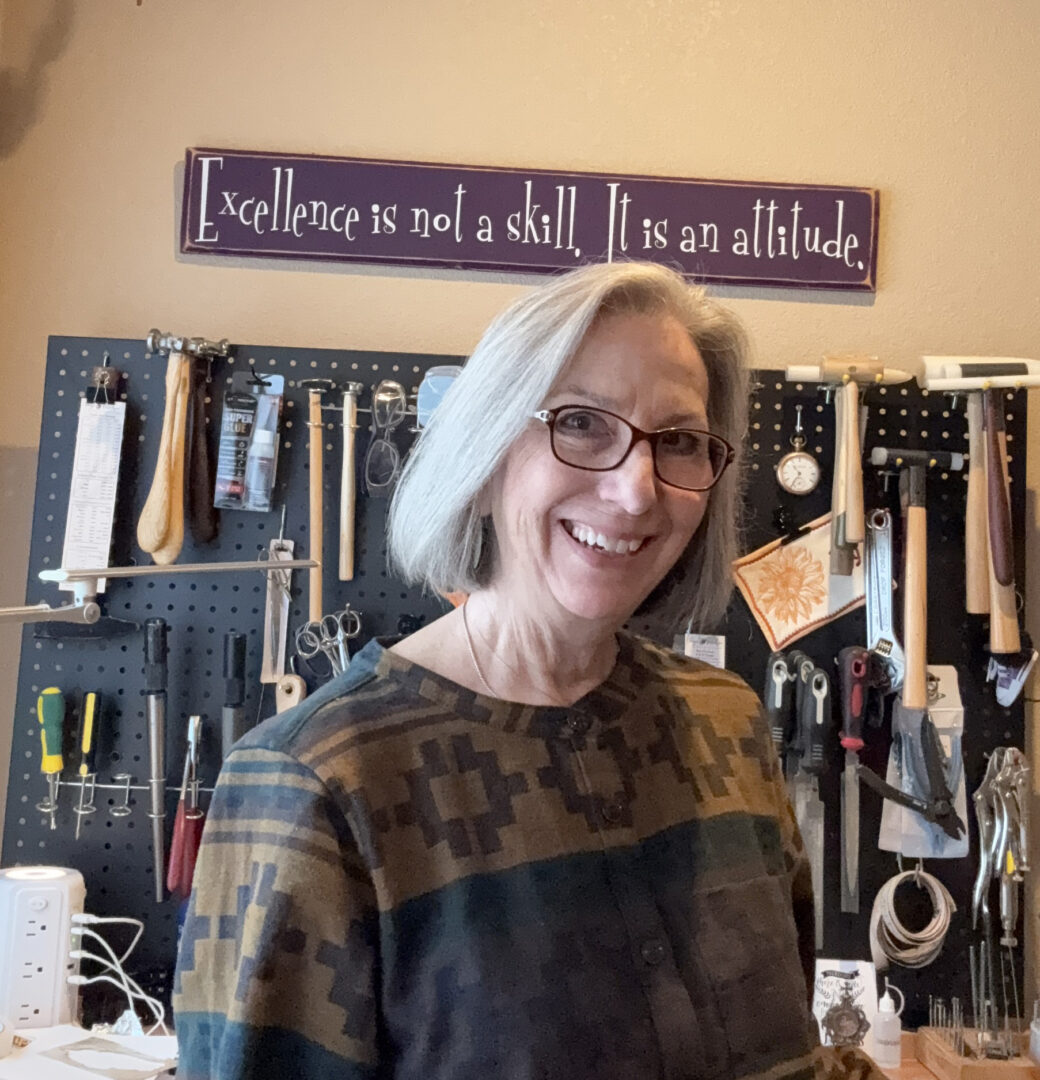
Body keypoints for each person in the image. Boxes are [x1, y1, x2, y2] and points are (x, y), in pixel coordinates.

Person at [174, 261, 880, 1079]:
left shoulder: (728, 719)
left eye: (680, 441)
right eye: (580, 423)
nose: (636, 490)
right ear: (482, 463)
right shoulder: (316, 782)